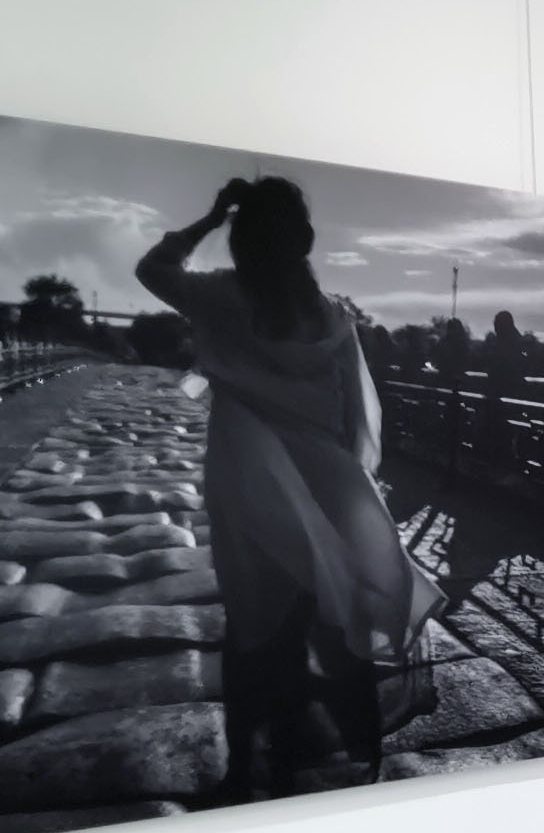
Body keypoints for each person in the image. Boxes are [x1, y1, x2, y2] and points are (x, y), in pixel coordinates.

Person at [134, 177, 441, 795]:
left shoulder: (221, 297)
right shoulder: (330, 316)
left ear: (243, 239)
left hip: (250, 481)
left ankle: (250, 761)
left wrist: (211, 217)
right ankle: (313, 750)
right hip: (328, 480)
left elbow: (153, 269)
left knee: (253, 621)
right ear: (304, 239)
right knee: (318, 609)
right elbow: (353, 417)